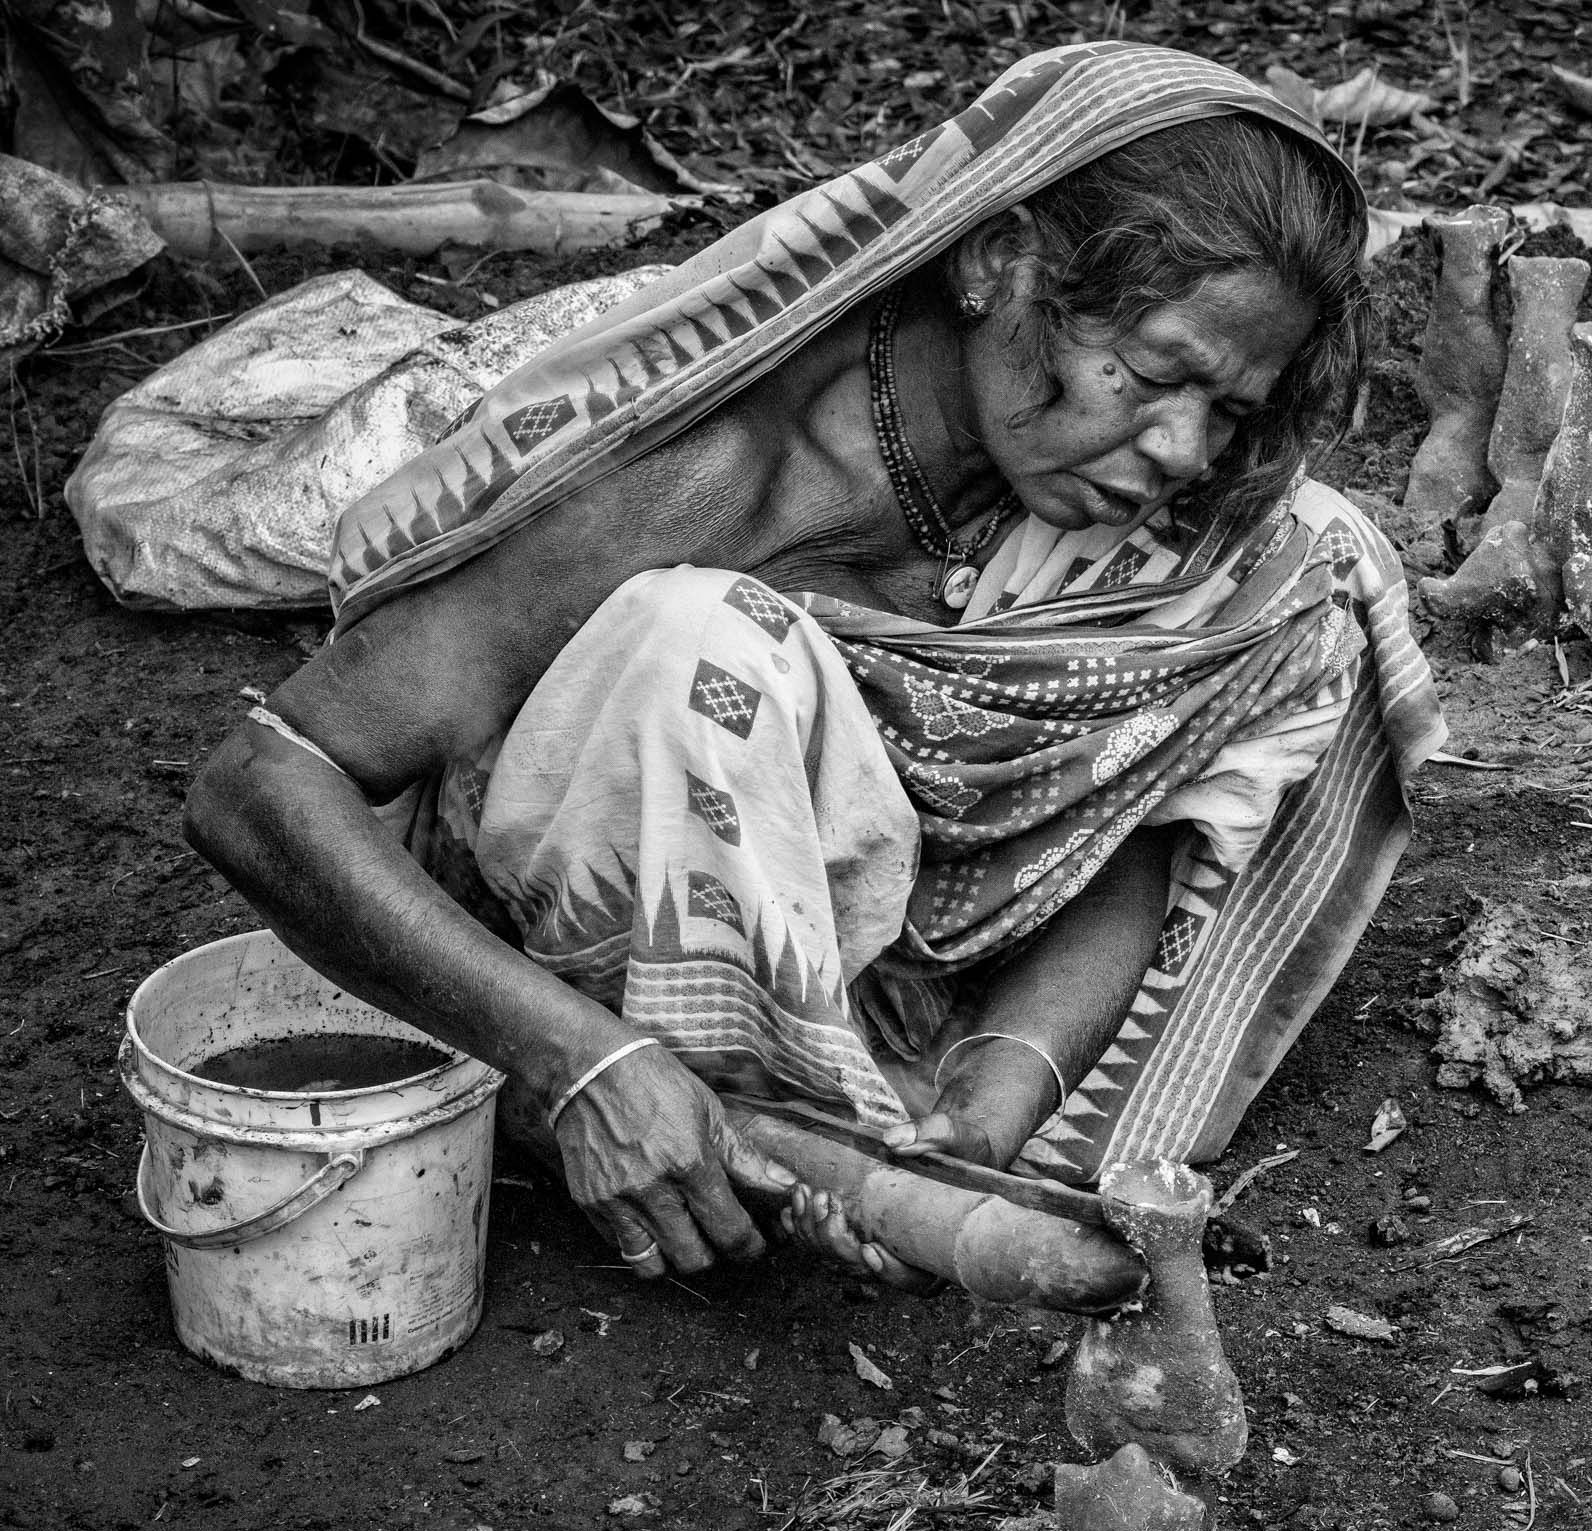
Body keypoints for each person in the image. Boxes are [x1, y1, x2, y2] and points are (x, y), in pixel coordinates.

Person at [183, 41, 1447, 1290]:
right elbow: (263, 782)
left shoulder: (1144, 513)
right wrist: (574, 1057)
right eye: (1153, 373)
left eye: (1227, 407)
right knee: (703, 649)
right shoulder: (715, 476)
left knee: (1311, 562)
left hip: (921, 1018)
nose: (1179, 444)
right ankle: (707, 1113)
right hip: (586, 995)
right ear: (999, 263)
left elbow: (1138, 823)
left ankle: (888, 1135)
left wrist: (991, 1105)